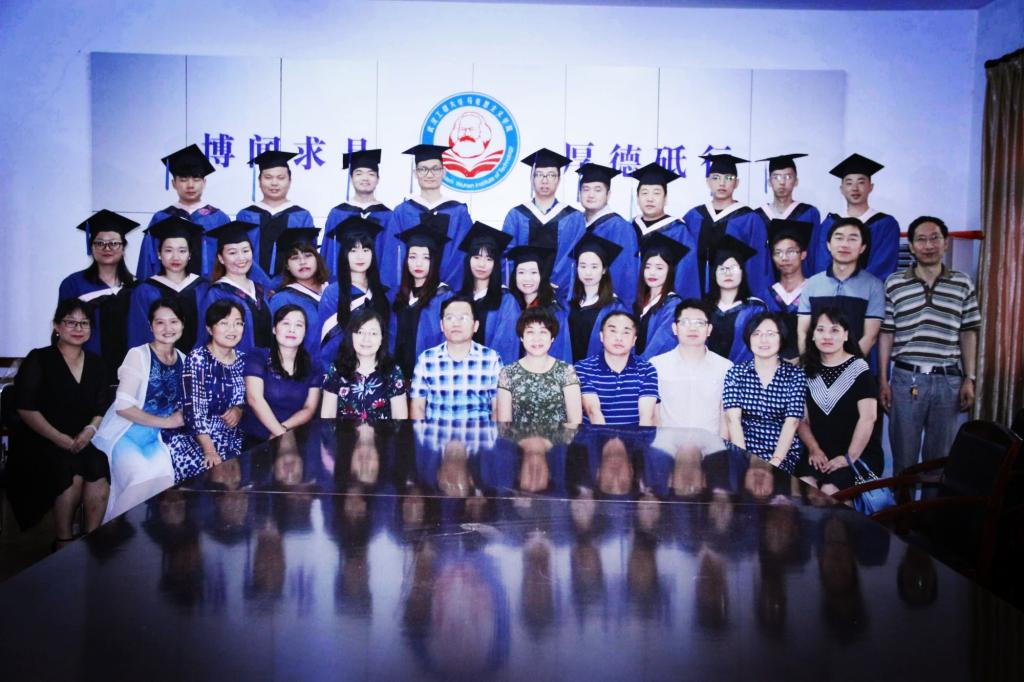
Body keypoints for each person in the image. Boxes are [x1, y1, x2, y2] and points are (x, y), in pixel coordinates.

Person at [878, 216, 981, 474]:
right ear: (912, 246)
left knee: (939, 461)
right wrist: (883, 380)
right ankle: (903, 503)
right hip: (906, 379)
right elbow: (886, 334)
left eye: (935, 238)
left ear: (945, 243)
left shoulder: (962, 283)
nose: (928, 245)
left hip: (948, 380)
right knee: (904, 460)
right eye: (921, 240)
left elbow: (968, 332)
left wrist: (970, 378)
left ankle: (932, 503)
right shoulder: (895, 283)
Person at [8, 300, 111, 546]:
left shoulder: (96, 363)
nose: (78, 328)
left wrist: (89, 430)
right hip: (40, 438)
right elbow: (25, 407)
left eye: (84, 323)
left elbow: (101, 407)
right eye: (70, 322)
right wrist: (58, 438)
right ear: (57, 326)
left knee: (98, 464)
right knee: (68, 470)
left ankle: (91, 539)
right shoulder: (40, 358)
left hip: (79, 437)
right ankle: (63, 540)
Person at [94, 299, 187, 521]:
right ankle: (111, 536)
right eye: (160, 322)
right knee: (140, 479)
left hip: (155, 439)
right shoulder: (138, 355)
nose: (167, 328)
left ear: (183, 324)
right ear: (150, 326)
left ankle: (139, 537)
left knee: (165, 480)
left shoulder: (183, 359)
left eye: (173, 321)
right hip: (125, 434)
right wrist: (168, 422)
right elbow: (123, 407)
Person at [797, 308, 881, 494]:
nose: (827, 336)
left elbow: (868, 418)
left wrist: (848, 458)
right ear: (813, 335)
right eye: (820, 330)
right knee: (804, 486)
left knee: (830, 491)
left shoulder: (859, 368)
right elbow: (802, 420)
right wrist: (814, 449)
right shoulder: (806, 370)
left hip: (858, 453)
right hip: (819, 453)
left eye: (834, 330)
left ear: (846, 335)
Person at [165, 299, 247, 483]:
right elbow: (193, 412)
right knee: (212, 476)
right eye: (224, 323)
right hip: (195, 437)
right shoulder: (198, 359)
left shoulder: (243, 360)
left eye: (238, 323)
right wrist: (209, 451)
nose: (232, 329)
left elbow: (247, 399)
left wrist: (239, 409)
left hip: (231, 437)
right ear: (210, 329)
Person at [59, 209, 140, 380]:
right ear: (91, 247)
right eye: (99, 243)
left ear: (123, 247)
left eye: (114, 243)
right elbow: (63, 329)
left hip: (130, 369)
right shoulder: (73, 284)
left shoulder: (138, 286)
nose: (107, 248)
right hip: (86, 368)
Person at [380, 144, 473, 291]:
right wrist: (406, 288)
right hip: (409, 292)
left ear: (444, 172)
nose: (430, 175)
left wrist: (445, 289)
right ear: (415, 173)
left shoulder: (459, 212)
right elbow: (393, 255)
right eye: (423, 169)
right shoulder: (402, 211)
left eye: (435, 169)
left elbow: (461, 256)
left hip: (447, 293)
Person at [723, 312, 805, 473]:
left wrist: (776, 460)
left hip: (782, 453)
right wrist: (743, 458)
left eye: (770, 334)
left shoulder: (795, 375)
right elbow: (733, 420)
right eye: (757, 334)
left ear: (781, 338)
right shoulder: (735, 373)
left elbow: (792, 422)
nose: (763, 340)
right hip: (744, 449)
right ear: (749, 339)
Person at [797, 217, 885, 365]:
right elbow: (803, 331)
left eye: (852, 239)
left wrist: (845, 370)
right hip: (815, 369)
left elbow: (870, 337)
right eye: (839, 238)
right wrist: (809, 364)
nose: (844, 244)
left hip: (855, 371)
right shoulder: (812, 284)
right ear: (828, 245)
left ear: (862, 248)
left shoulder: (874, 285)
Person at [137, 144, 230, 279]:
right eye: (183, 179)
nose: (190, 185)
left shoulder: (218, 218)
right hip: (167, 289)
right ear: (174, 183)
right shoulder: (161, 218)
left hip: (210, 289)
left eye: (196, 179)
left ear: (204, 182)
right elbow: (148, 262)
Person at [684, 153, 771, 298]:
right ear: (708, 182)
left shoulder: (749, 219)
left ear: (737, 183)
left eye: (729, 178)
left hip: (735, 299)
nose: (722, 183)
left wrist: (753, 300)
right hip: (695, 297)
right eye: (716, 178)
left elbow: (757, 265)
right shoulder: (693, 216)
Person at [503, 148, 585, 296]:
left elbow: (573, 258)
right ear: (532, 178)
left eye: (551, 175)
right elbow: (507, 257)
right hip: (523, 293)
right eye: (539, 174)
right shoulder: (515, 216)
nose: (545, 180)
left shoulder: (574, 218)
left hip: (559, 293)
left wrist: (550, 284)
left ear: (558, 179)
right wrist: (525, 282)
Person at [409, 295, 503, 420]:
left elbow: (498, 408)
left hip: (479, 431)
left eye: (463, 318)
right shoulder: (426, 359)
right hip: (436, 432)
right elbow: (418, 407)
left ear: (475, 325)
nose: (456, 323)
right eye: (450, 318)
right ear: (441, 325)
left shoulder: (491, 359)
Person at [241, 304, 321, 448]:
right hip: (256, 440)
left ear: (305, 332)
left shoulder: (313, 366)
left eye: (299, 325)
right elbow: (254, 399)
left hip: (294, 440)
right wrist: (280, 434)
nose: (292, 329)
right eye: (286, 323)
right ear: (274, 329)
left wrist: (282, 430)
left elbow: (309, 408)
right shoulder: (258, 356)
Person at [808, 153, 900, 280]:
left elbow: (883, 265)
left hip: (870, 290)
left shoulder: (886, 224)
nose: (855, 188)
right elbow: (821, 264)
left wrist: (855, 286)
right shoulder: (830, 223)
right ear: (841, 189)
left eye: (861, 182)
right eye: (849, 183)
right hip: (831, 290)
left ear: (871, 187)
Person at [319, 216, 391, 372]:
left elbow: (389, 338)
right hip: (344, 372)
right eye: (353, 250)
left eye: (366, 250)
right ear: (344, 254)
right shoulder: (333, 293)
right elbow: (329, 343)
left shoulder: (383, 292)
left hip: (379, 373)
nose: (360, 256)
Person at [127, 216, 210, 352]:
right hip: (158, 360)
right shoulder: (144, 291)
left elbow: (208, 330)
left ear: (190, 254)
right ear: (159, 254)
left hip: (199, 360)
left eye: (182, 251)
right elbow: (139, 333)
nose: (175, 257)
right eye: (168, 250)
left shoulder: (203, 288)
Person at [650, 298, 733, 434]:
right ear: (674, 328)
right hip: (668, 444)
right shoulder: (656, 365)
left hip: (710, 445)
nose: (692, 328)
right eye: (685, 322)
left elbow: (726, 416)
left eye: (699, 323)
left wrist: (722, 446)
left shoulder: (725, 367)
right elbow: (654, 414)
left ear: (709, 329)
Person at [235, 150, 315, 283]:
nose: (274, 183)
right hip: (250, 284)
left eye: (280, 177)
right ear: (259, 180)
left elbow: (308, 256)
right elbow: (239, 254)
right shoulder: (246, 215)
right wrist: (262, 282)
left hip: (292, 285)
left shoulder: (301, 216)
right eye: (268, 177)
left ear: (290, 180)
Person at [390, 219, 454, 381]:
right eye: (412, 257)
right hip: (396, 379)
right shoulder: (397, 296)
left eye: (426, 257)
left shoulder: (444, 296)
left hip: (430, 378)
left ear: (434, 261)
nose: (418, 263)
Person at [495, 307, 582, 424]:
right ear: (521, 337)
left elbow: (575, 422)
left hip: (560, 436)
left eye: (543, 332)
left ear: (552, 338)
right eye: (530, 332)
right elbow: (504, 424)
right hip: (518, 436)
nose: (536, 338)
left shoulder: (566, 371)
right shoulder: (508, 373)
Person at [198, 221, 273, 353]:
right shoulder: (217, 294)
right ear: (221, 258)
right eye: (232, 253)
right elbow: (206, 337)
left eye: (245, 251)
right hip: (235, 363)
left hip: (267, 361)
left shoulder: (260, 289)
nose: (241, 258)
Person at [322, 308, 409, 421]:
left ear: (381, 338)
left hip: (383, 433)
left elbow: (400, 418)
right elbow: (328, 416)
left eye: (373, 333)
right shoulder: (337, 370)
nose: (366, 339)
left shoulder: (392, 371)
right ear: (351, 336)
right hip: (343, 432)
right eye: (360, 332)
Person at [574, 311, 659, 426]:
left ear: (634, 340)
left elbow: (647, 416)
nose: (619, 338)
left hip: (636, 436)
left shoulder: (647, 370)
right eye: (613, 331)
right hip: (595, 435)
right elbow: (593, 411)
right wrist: (604, 437)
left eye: (626, 332)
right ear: (601, 336)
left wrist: (640, 438)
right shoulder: (583, 368)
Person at [630, 162, 699, 299]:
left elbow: (685, 274)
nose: (650, 198)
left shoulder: (678, 231)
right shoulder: (629, 228)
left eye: (656, 193)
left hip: (663, 303)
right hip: (630, 300)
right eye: (644, 193)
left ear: (665, 199)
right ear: (637, 198)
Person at [321, 148, 392, 281]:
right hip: (342, 285)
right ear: (351, 178)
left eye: (371, 174)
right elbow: (329, 252)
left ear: (378, 179)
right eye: (359, 173)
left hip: (378, 286)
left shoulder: (388, 216)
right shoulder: (337, 213)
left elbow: (390, 256)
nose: (365, 178)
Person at [575, 162, 639, 306]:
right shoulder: (575, 223)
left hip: (606, 305)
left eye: (597, 190)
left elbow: (625, 272)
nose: (591, 195)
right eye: (586, 189)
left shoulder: (620, 227)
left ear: (608, 195)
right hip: (577, 302)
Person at [457, 221, 520, 364]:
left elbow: (506, 347)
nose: (481, 264)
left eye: (489, 259)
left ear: (496, 264)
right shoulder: (457, 298)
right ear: (468, 260)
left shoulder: (506, 302)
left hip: (491, 373)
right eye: (476, 257)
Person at [753, 153, 821, 277]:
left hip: (800, 282)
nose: (782, 182)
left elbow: (813, 254)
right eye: (776, 177)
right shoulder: (756, 216)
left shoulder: (809, 213)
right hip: (765, 283)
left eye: (788, 177)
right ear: (769, 182)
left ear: (796, 181)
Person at [268, 228, 329, 364]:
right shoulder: (282, 299)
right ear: (287, 266)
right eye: (294, 258)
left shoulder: (332, 291)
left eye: (308, 255)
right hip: (303, 369)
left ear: (317, 258)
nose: (302, 262)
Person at [567, 233, 629, 363]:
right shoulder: (568, 304)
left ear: (604, 270)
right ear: (576, 268)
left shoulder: (615, 308)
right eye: (583, 266)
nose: (588, 272)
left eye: (594, 266)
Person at [505, 244, 573, 362]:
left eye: (533, 272)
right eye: (521, 272)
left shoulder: (554, 312)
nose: (527, 278)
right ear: (514, 276)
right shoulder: (510, 308)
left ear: (542, 276)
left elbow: (560, 354)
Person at [706, 235, 768, 364]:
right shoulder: (704, 308)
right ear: (714, 273)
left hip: (744, 372)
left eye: (733, 268)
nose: (728, 273)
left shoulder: (755, 308)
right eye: (722, 268)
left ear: (742, 272)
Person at [758, 219, 813, 362]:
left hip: (809, 365)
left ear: (803, 254)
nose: (784, 258)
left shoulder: (814, 291)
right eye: (778, 253)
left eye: (791, 252)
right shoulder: (766, 295)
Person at [635, 232, 690, 360]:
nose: (652, 273)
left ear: (669, 271)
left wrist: (640, 365)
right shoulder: (642, 302)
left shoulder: (673, 305)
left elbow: (662, 344)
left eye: (659, 268)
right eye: (647, 267)